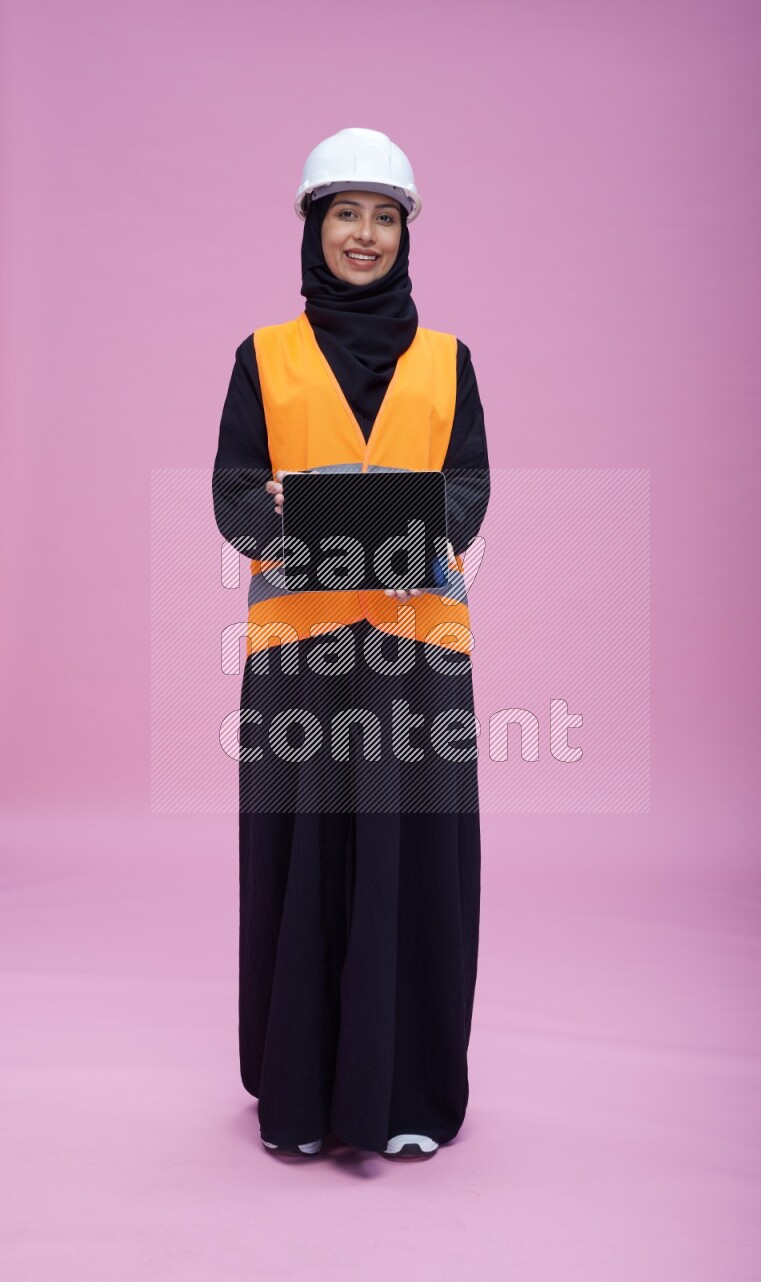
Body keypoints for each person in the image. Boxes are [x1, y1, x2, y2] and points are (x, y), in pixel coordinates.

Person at [212, 127, 490, 1160]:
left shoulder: (449, 362)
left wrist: (324, 515)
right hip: (300, 662)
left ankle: (408, 1093)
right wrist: (374, 524)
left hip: (417, 660)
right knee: (298, 860)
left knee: (415, 863)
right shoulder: (263, 357)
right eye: (345, 214)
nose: (363, 235)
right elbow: (238, 498)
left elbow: (465, 498)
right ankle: (295, 1098)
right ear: (312, 227)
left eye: (383, 215)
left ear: (405, 232)